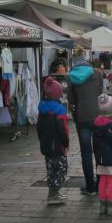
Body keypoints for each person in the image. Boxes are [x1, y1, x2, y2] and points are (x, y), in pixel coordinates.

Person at [68, 54, 103, 196]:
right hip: (97, 116)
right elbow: (100, 92)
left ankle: (90, 187)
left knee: (86, 153)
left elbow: (71, 99)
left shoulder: (71, 76)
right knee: (99, 150)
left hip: (81, 118)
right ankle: (100, 184)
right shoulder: (97, 73)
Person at [37, 76, 70, 205]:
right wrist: (66, 144)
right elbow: (63, 129)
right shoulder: (60, 109)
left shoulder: (42, 108)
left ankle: (53, 192)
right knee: (61, 168)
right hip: (58, 145)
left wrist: (42, 140)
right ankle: (54, 193)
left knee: (50, 169)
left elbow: (39, 127)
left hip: (46, 144)